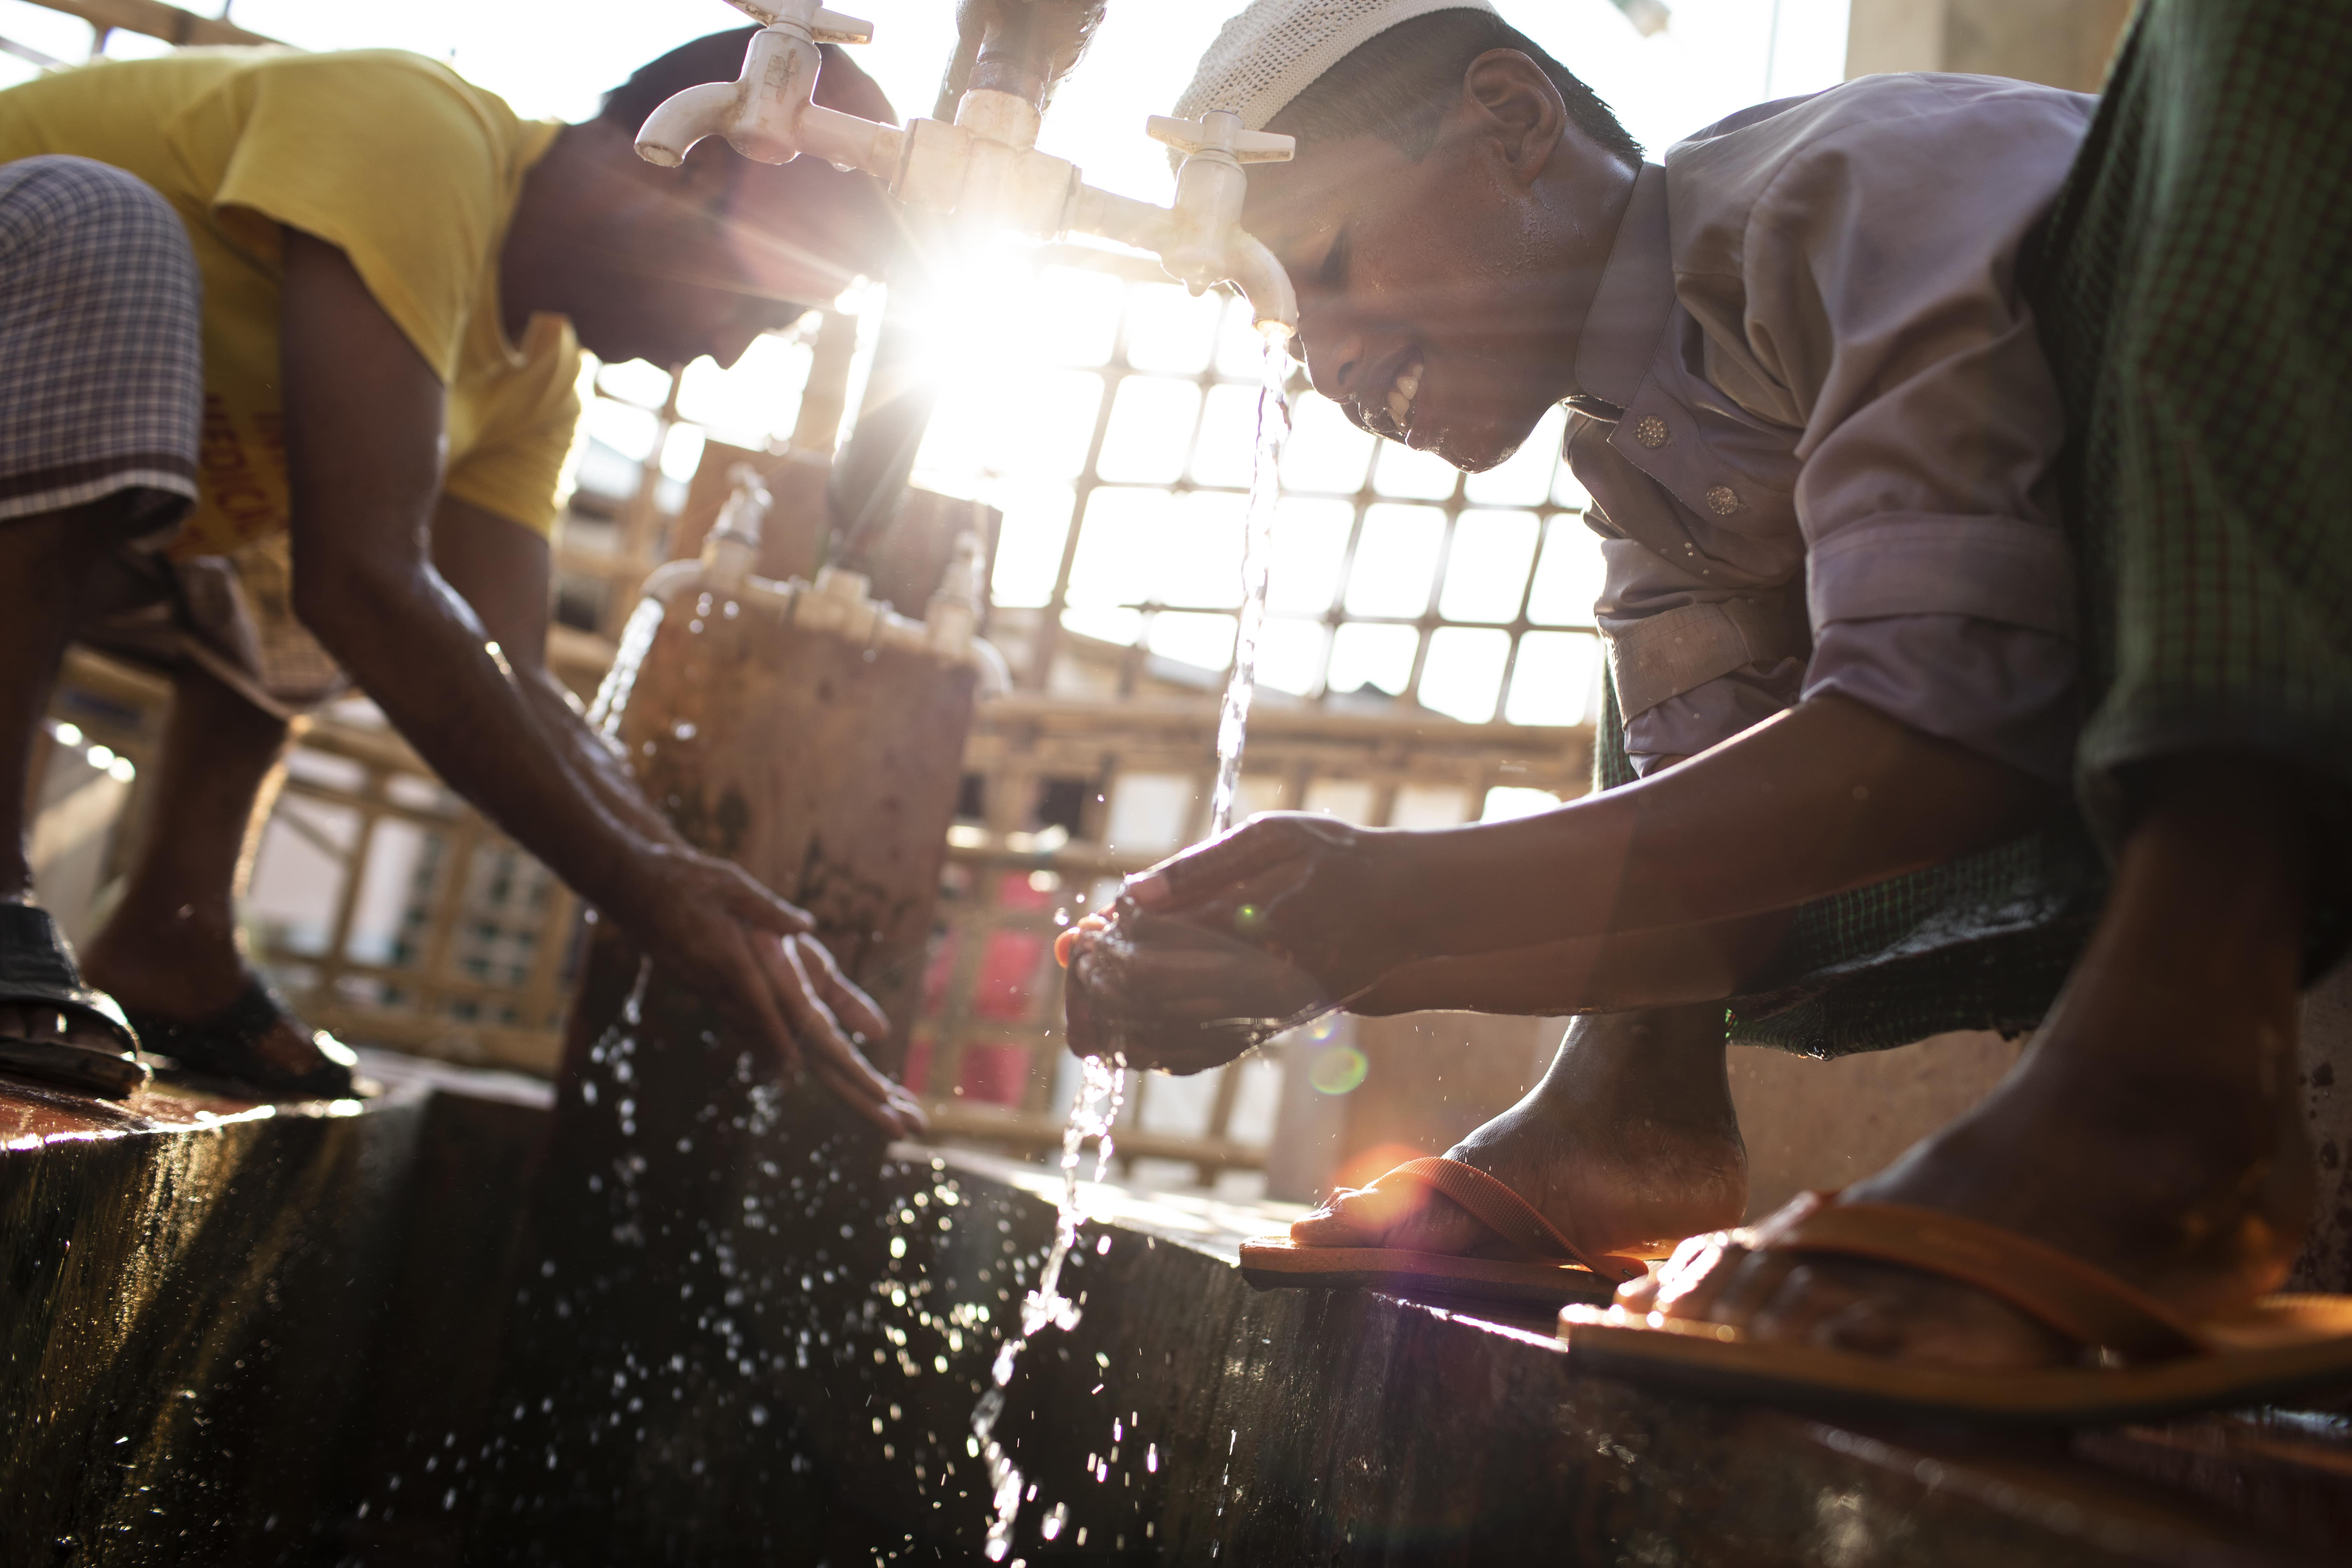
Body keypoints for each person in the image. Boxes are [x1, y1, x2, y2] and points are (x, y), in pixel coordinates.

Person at [1063, 0, 2350, 1385]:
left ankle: (2172, 1074)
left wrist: (1393, 900)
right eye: (1286, 314)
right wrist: (1319, 953)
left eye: (1326, 261)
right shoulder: (1638, 443)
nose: (1329, 367)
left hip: (2281, 540)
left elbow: (1946, 728)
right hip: (2080, 679)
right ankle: (1631, 1111)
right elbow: (1725, 905)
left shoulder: (1841, 184)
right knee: (1698, 604)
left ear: (1514, 122)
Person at [0, 29, 924, 1135]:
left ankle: (171, 939)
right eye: (759, 307)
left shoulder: (537, 385)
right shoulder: (418, 134)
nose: (728, 355)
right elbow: (363, 584)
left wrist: (690, 882)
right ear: (711, 164)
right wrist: (640, 888)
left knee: (380, 551)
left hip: (77, 526)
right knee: (116, 237)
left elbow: (511, 674)